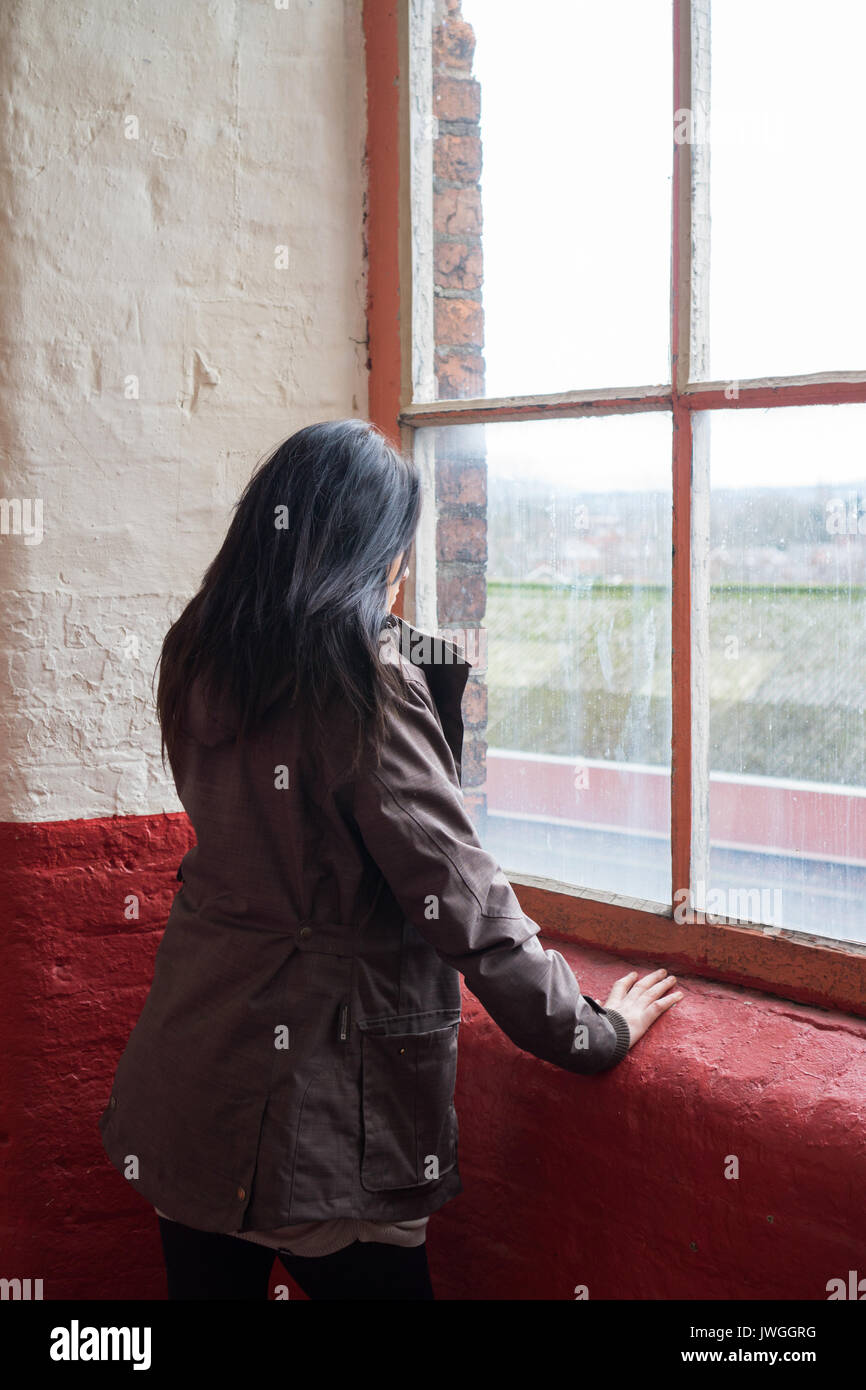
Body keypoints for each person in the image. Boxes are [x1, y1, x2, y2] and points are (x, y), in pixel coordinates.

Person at [98, 418, 682, 1301]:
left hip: (191, 1078)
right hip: (322, 1109)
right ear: (375, 551)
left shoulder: (200, 649)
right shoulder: (362, 676)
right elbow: (462, 900)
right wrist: (593, 1032)